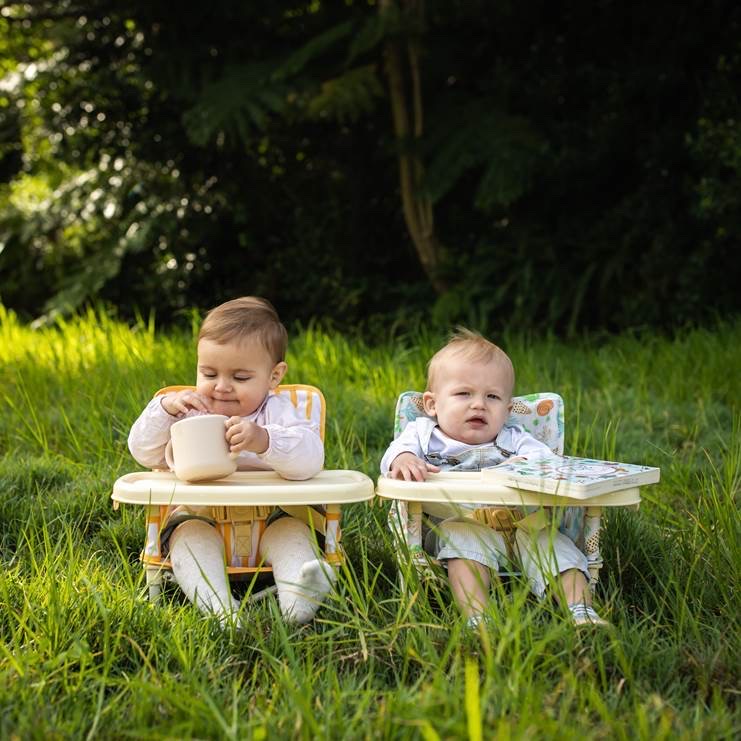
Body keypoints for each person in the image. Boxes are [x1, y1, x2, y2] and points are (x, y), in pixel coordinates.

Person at [380, 329, 608, 628]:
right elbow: (393, 456)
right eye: (464, 393)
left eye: (493, 396)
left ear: (507, 407)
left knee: (557, 547)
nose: (479, 404)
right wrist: (404, 459)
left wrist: (522, 465)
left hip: (523, 527)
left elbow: (549, 464)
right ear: (433, 404)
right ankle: (478, 617)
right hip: (456, 524)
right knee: (465, 542)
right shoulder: (423, 435)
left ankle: (581, 611)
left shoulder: (514, 438)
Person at [128, 296, 334, 625]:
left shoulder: (278, 412)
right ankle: (220, 609)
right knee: (189, 538)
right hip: (202, 516)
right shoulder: (187, 409)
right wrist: (164, 411)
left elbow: (311, 458)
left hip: (274, 517)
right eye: (209, 373)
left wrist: (264, 439)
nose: (221, 387)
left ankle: (299, 600)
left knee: (292, 535)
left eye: (240, 378)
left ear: (274, 376)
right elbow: (144, 453)